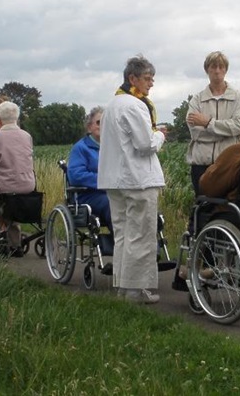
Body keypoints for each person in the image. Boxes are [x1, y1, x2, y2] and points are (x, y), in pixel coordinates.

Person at [98, 54, 166, 304]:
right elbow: (144, 143)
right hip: (137, 180)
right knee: (142, 235)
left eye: (152, 79)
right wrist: (159, 135)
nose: (151, 83)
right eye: (147, 78)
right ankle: (136, 290)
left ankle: (123, 287)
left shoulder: (111, 106)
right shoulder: (135, 105)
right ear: (132, 78)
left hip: (114, 180)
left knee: (124, 235)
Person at [185, 51, 240, 196]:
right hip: (201, 166)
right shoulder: (197, 99)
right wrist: (226, 133)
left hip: (230, 165)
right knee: (203, 207)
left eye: (221, 67)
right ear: (207, 70)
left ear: (226, 70)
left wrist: (208, 123)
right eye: (213, 67)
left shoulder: (239, 98)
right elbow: (195, 132)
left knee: (228, 207)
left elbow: (239, 126)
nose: (217, 71)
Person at [0, 101, 36, 249]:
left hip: (3, 187)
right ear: (17, 117)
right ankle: (15, 243)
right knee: (12, 205)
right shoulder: (27, 136)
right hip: (27, 184)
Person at [67, 106, 112, 234]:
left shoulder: (112, 147)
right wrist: (104, 181)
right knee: (113, 203)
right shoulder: (81, 148)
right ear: (89, 127)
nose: (102, 126)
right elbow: (76, 175)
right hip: (87, 195)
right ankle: (122, 243)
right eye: (99, 122)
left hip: (111, 191)